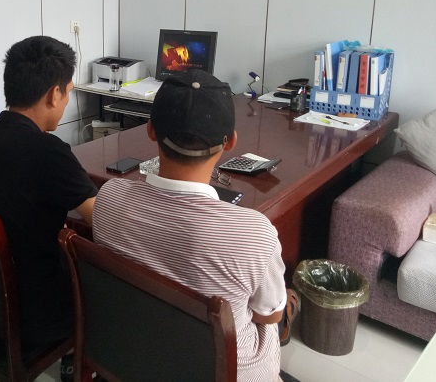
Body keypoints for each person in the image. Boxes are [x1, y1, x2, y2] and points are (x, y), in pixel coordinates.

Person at [92, 70, 298, 382]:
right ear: (231, 141)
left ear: (150, 129)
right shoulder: (254, 234)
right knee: (279, 303)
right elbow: (270, 315)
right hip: (224, 373)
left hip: (130, 359)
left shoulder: (108, 197)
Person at [0, 35, 98, 352]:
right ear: (54, 94)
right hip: (30, 317)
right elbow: (101, 221)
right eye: (69, 92)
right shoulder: (49, 151)